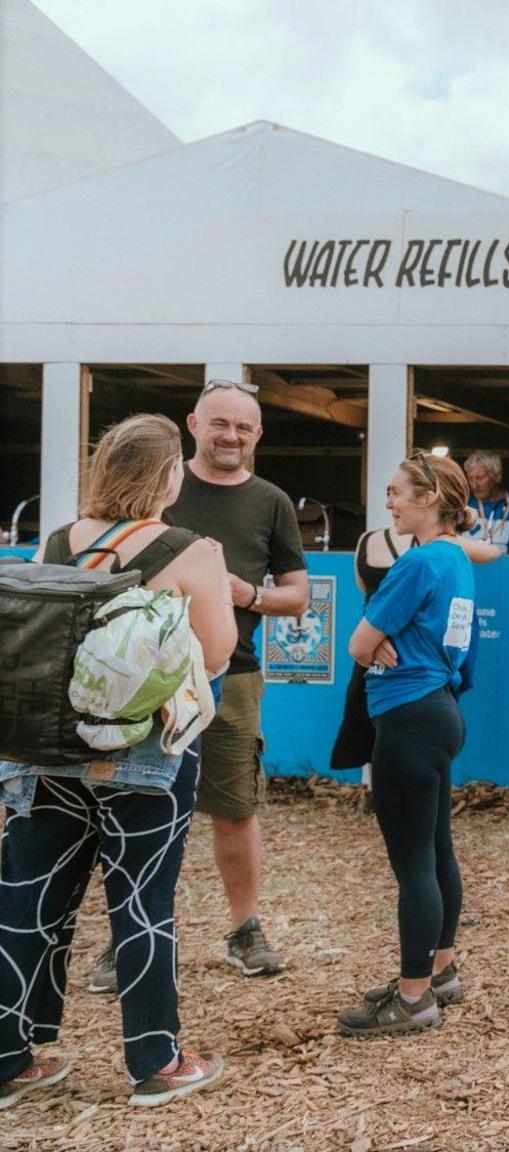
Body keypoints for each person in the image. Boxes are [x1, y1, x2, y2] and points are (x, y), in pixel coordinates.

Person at [0, 414, 235, 1109]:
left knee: (26, 898)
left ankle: (10, 1060)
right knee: (140, 904)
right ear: (168, 477)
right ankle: (155, 1063)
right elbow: (217, 654)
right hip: (144, 756)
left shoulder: (59, 540)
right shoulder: (194, 550)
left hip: (45, 750)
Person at [137, 378, 308, 985]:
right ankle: (132, 934)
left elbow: (298, 596)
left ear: (257, 434)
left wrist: (249, 594)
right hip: (147, 678)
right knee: (144, 805)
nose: (231, 436)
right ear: (193, 424)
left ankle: (244, 929)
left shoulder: (271, 502)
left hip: (231, 678)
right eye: (220, 424)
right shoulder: (160, 490)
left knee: (235, 810)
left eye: (243, 427)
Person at [337, 452, 479, 1036]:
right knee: (437, 848)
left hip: (408, 715)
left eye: (397, 492)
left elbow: (356, 642)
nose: (389, 503)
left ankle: (413, 997)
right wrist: (379, 641)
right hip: (440, 709)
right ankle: (439, 971)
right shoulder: (457, 560)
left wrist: (374, 642)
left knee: (414, 862)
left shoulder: (417, 564)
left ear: (429, 498)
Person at [329, 525, 503, 801]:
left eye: (396, 493)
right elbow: (492, 551)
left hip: (401, 654)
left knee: (403, 727)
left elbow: (367, 591)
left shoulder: (430, 549)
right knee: (378, 723)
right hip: (382, 648)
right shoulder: (435, 548)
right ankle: (386, 794)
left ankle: (397, 795)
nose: (391, 502)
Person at [463, 450, 509, 554]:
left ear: (497, 476)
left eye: (480, 478)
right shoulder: (462, 508)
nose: (474, 485)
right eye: (470, 478)